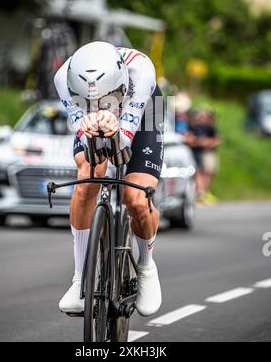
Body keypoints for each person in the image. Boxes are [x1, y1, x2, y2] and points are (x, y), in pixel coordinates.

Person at [54, 41, 164, 317]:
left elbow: (124, 141)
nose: (99, 104)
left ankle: (147, 266)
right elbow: (81, 129)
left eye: (106, 98)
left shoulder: (141, 70)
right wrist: (86, 122)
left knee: (137, 197)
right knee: (87, 179)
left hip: (145, 112)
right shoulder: (62, 78)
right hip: (94, 119)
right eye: (88, 99)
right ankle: (80, 278)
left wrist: (117, 127)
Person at [187, 109, 221, 202]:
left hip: (207, 152)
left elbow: (217, 140)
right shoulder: (193, 127)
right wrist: (198, 142)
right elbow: (188, 139)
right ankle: (200, 193)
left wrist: (206, 142)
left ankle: (204, 193)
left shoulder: (210, 127)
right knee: (198, 173)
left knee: (207, 173)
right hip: (197, 153)